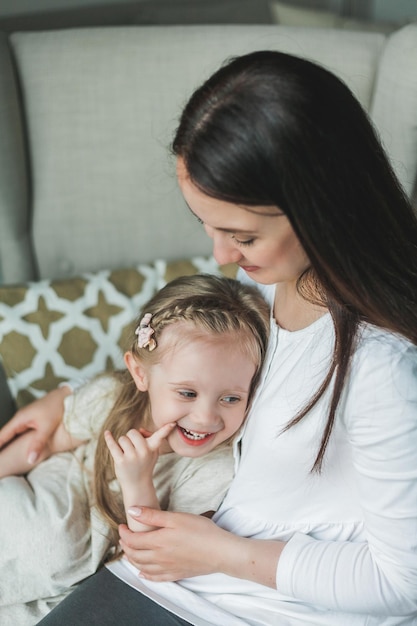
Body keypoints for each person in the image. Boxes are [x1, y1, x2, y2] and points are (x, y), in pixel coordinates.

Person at [1, 49, 417, 626]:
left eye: (241, 236)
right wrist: (71, 401)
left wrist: (219, 552)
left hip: (271, 605)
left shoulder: (383, 367)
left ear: (322, 208)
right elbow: (194, 357)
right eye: (208, 227)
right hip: (178, 577)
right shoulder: (269, 283)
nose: (222, 257)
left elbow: (401, 585)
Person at [0, 273, 270, 625]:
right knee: (50, 541)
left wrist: (137, 480)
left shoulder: (215, 468)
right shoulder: (113, 397)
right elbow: (44, 444)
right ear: (140, 374)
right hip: (47, 501)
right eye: (187, 393)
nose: (206, 417)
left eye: (230, 398)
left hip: (93, 565)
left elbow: (156, 555)